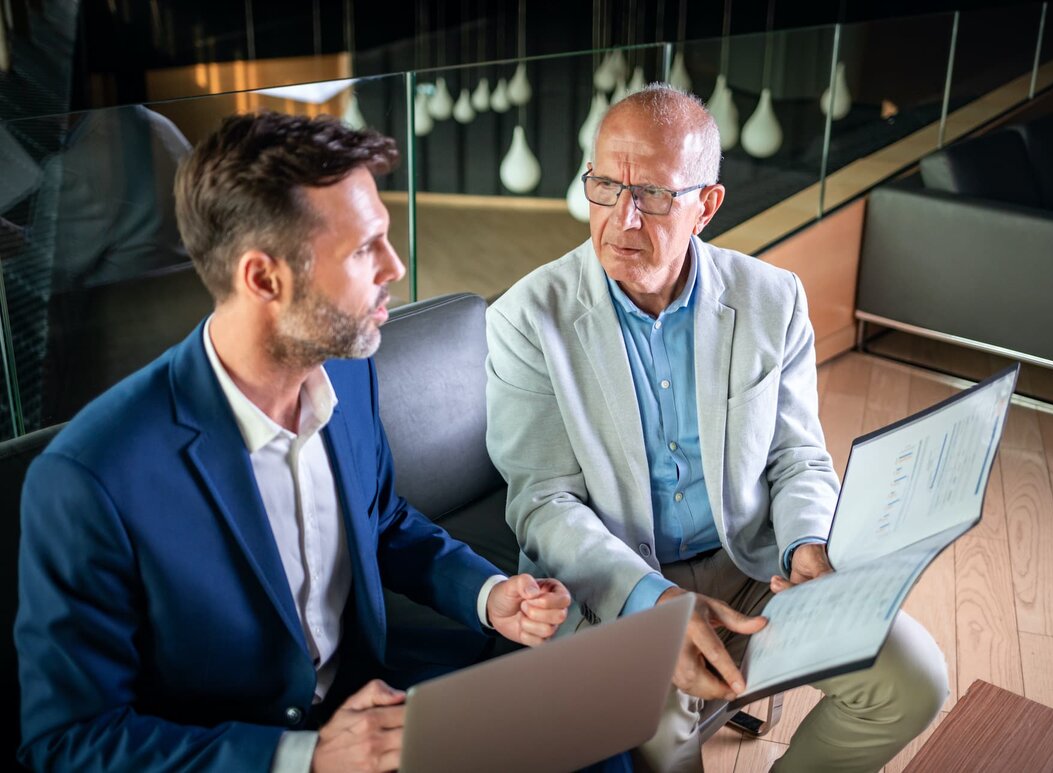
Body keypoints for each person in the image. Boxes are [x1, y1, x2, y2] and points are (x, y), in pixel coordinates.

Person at [16, 111, 572, 772]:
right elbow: (69, 739)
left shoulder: (349, 365)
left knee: (587, 727)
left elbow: (384, 521)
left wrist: (487, 595)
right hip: (247, 754)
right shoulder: (88, 478)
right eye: (365, 248)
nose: (395, 266)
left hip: (382, 702)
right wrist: (304, 757)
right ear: (263, 278)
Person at [485, 83, 948, 772]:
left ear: (706, 205)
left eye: (655, 195)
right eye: (606, 185)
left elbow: (797, 456)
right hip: (618, 589)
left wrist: (809, 543)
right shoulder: (526, 318)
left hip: (753, 570)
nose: (623, 218)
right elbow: (543, 504)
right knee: (662, 734)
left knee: (914, 678)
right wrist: (657, 603)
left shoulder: (773, 298)